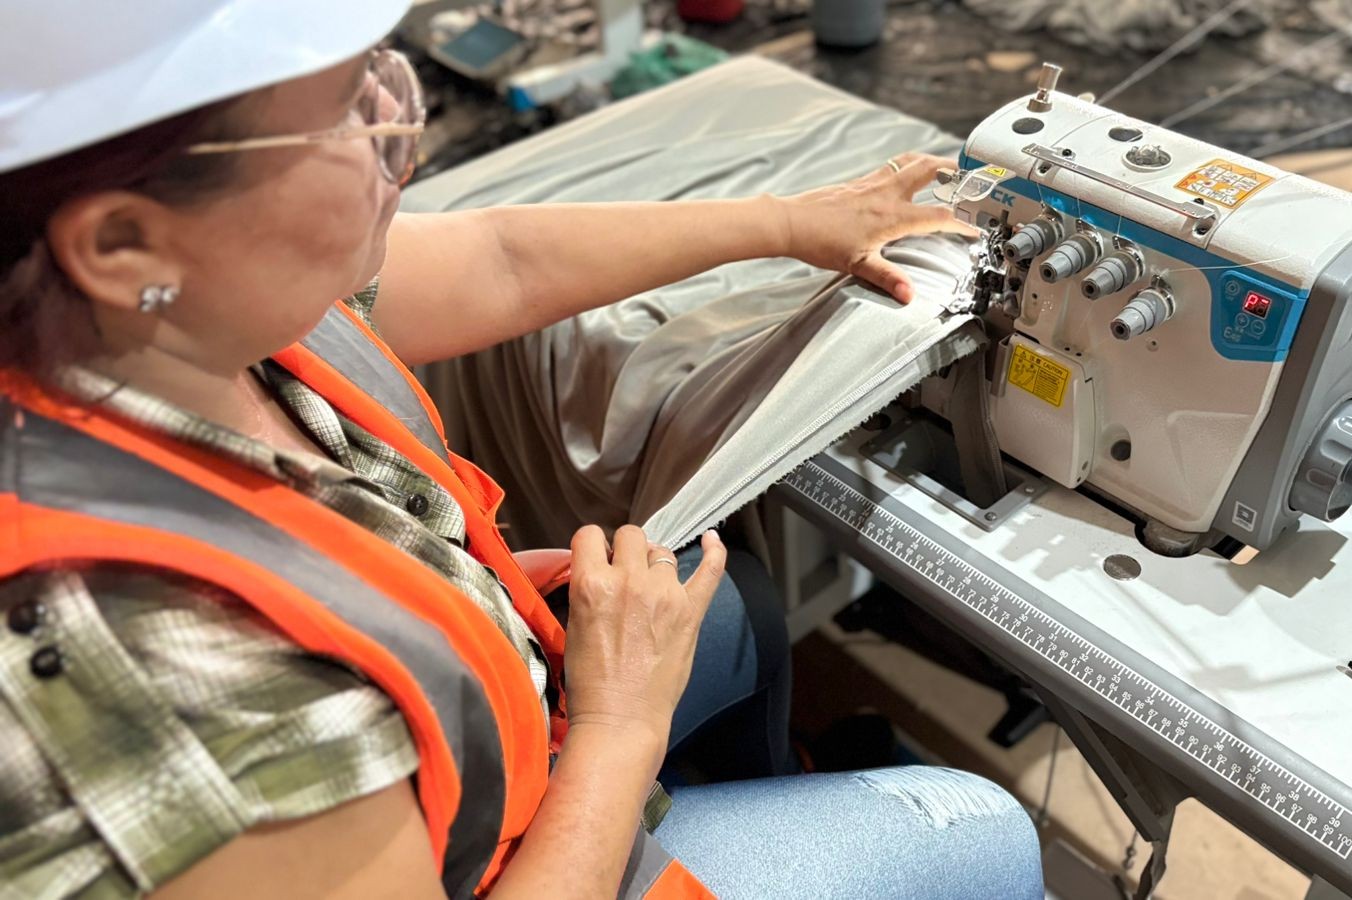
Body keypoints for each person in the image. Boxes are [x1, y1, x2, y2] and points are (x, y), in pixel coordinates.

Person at [0, 2, 1045, 898]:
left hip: (501, 740)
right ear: (122, 242)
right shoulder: (157, 674)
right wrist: (619, 726)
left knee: (735, 607)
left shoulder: (181, 313)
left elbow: (497, 261)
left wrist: (789, 222)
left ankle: (743, 787)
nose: (392, 122)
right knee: (966, 829)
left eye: (375, 78)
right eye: (338, 114)